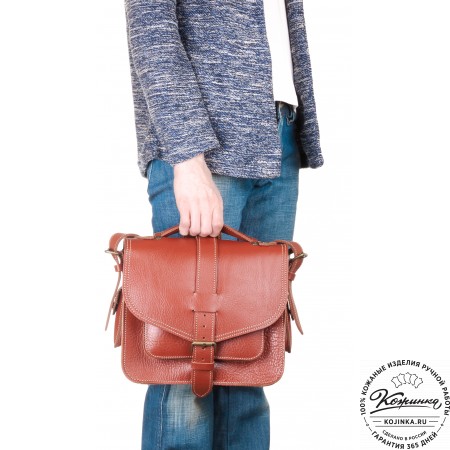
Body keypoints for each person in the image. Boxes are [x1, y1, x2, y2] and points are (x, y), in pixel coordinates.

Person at [123, 0, 324, 448]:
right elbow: (151, 29)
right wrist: (186, 155)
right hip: (206, 148)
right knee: (183, 365)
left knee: (250, 359)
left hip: (278, 137)